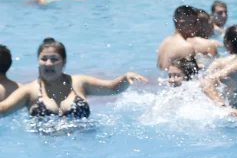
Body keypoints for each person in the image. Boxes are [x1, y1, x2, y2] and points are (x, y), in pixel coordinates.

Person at [0, 38, 146, 118]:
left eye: (54, 59)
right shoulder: (30, 91)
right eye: (44, 59)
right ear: (38, 61)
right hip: (46, 154)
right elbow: (3, 110)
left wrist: (125, 78)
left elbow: (112, 88)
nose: (48, 63)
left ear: (63, 62)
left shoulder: (79, 83)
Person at [157, 5, 198, 70]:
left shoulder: (164, 42)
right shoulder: (186, 47)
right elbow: (191, 77)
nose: (197, 26)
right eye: (194, 23)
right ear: (181, 23)